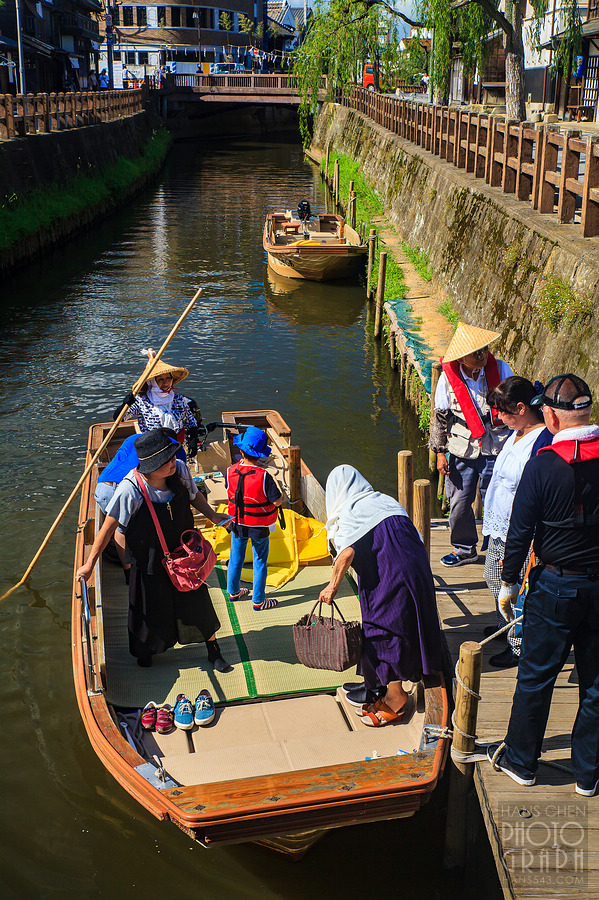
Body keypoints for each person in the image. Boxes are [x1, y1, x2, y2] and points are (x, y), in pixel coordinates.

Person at [487, 374, 599, 795]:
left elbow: (519, 532)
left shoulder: (543, 464)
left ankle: (521, 761)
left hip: (554, 587)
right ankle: (588, 774)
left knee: (536, 677)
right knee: (595, 684)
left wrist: (509, 582)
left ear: (550, 415)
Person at [77, 428, 230, 670]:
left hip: (183, 555)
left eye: (172, 457)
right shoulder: (131, 489)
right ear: (149, 467)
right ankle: (146, 651)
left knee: (197, 602)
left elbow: (193, 496)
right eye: (166, 460)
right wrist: (89, 564)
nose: (173, 462)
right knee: (148, 609)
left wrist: (213, 515)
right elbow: (108, 528)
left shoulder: (179, 470)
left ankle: (213, 649)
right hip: (148, 558)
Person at [318, 465, 443, 727]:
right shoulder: (384, 500)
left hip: (387, 573)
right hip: (417, 568)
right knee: (411, 624)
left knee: (381, 631)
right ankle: (381, 686)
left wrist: (331, 587)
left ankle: (397, 698)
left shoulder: (350, 511)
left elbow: (347, 553)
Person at [481, 377, 552, 667]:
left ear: (521, 408)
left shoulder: (542, 440)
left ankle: (518, 645)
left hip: (519, 530)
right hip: (500, 525)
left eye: (502, 411)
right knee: (492, 577)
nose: (498, 417)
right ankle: (504, 624)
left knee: (517, 589)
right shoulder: (517, 431)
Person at [429, 322, 512, 567]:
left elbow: (518, 404)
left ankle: (500, 550)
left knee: (497, 500)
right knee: (459, 502)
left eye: (484, 350)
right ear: (462, 358)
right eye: (476, 352)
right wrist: (440, 453)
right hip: (461, 449)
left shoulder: (501, 369)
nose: (482, 355)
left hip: (495, 447)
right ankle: (465, 549)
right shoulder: (448, 378)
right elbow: (440, 417)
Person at [226, 427, 284, 611]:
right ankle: (258, 601)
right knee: (260, 561)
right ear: (260, 455)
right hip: (259, 527)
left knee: (235, 558)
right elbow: (277, 501)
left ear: (241, 451)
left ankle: (233, 592)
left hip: (237, 524)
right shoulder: (265, 476)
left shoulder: (229, 471)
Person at [114, 351, 200, 458]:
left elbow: (191, 422)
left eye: (168, 379)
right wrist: (125, 403)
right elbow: (119, 418)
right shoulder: (142, 400)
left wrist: (193, 442)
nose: (166, 383)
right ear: (152, 382)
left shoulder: (178, 398)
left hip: (175, 445)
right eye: (161, 380)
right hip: (153, 448)